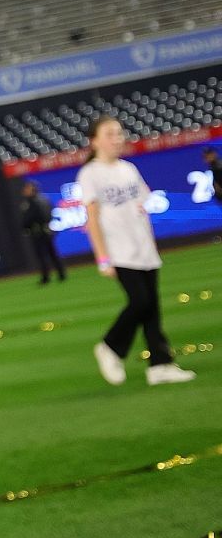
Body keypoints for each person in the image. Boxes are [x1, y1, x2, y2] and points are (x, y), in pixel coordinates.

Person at [82, 117, 197, 387]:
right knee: (140, 302)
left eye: (119, 133)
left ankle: (160, 365)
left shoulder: (128, 168)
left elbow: (143, 201)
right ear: (94, 141)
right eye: (110, 134)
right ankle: (110, 346)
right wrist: (103, 258)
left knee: (152, 309)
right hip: (119, 251)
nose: (117, 138)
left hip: (143, 247)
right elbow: (92, 219)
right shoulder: (90, 174)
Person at [19, 178, 66, 284]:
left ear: (33, 189)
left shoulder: (33, 202)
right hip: (46, 230)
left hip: (39, 231)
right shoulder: (43, 199)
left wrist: (26, 226)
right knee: (51, 253)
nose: (25, 190)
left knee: (43, 255)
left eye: (27, 188)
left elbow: (32, 217)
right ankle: (60, 274)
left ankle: (47, 277)